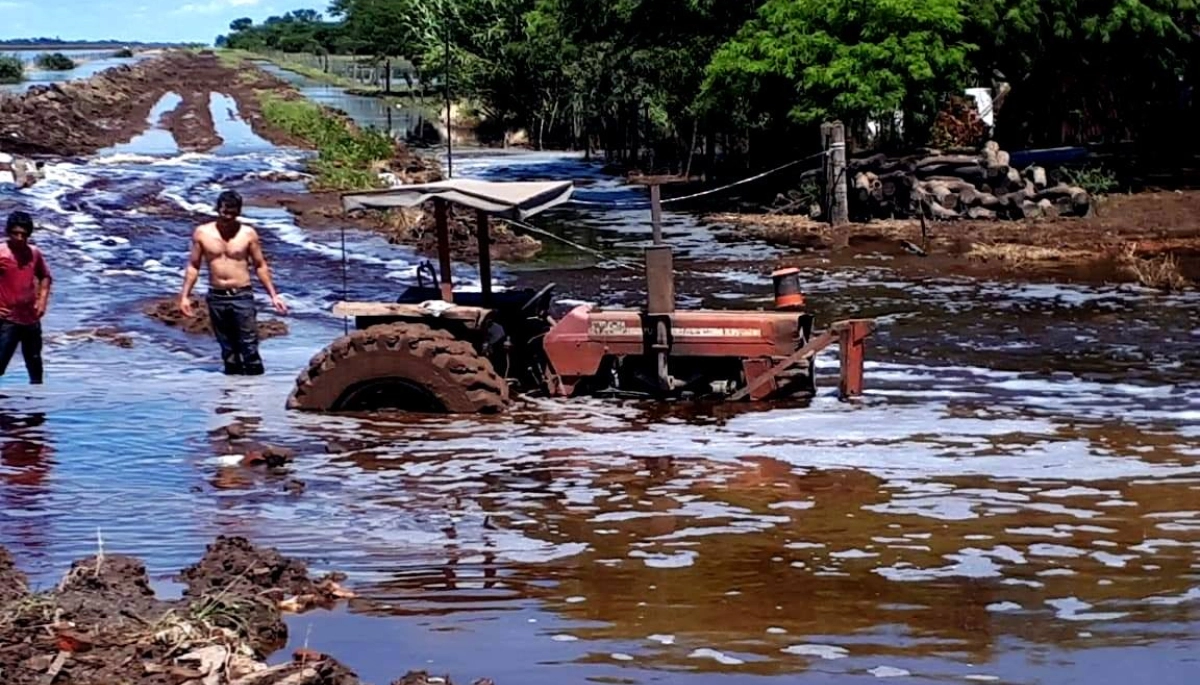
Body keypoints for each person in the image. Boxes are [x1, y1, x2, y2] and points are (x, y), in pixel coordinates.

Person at [179, 190, 287, 376]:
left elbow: (260, 265)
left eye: (233, 212)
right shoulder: (202, 233)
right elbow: (193, 266)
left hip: (242, 295)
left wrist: (273, 295)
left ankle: (255, 393)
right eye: (225, 211)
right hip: (216, 296)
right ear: (217, 209)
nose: (228, 216)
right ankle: (231, 398)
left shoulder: (248, 234)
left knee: (249, 346)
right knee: (227, 349)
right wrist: (185, 296)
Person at [0, 211, 52, 385]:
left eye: (24, 234)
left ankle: (36, 408)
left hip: (30, 318)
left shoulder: (34, 253)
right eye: (16, 233)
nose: (20, 238)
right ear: (9, 232)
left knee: (35, 364)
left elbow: (45, 276)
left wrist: (42, 300)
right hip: (8, 319)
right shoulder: (2, 253)